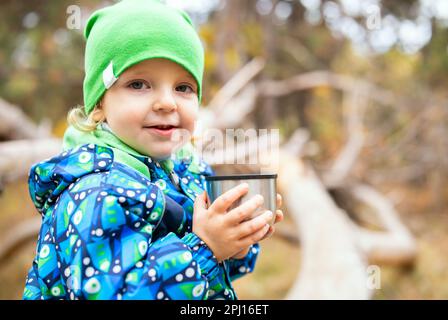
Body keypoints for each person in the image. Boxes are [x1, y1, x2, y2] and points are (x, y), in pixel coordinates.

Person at [23, 0, 283, 300]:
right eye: (139, 84)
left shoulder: (186, 171)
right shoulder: (95, 193)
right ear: (99, 105)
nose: (167, 103)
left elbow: (206, 279)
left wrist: (235, 244)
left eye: (183, 87)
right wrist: (206, 248)